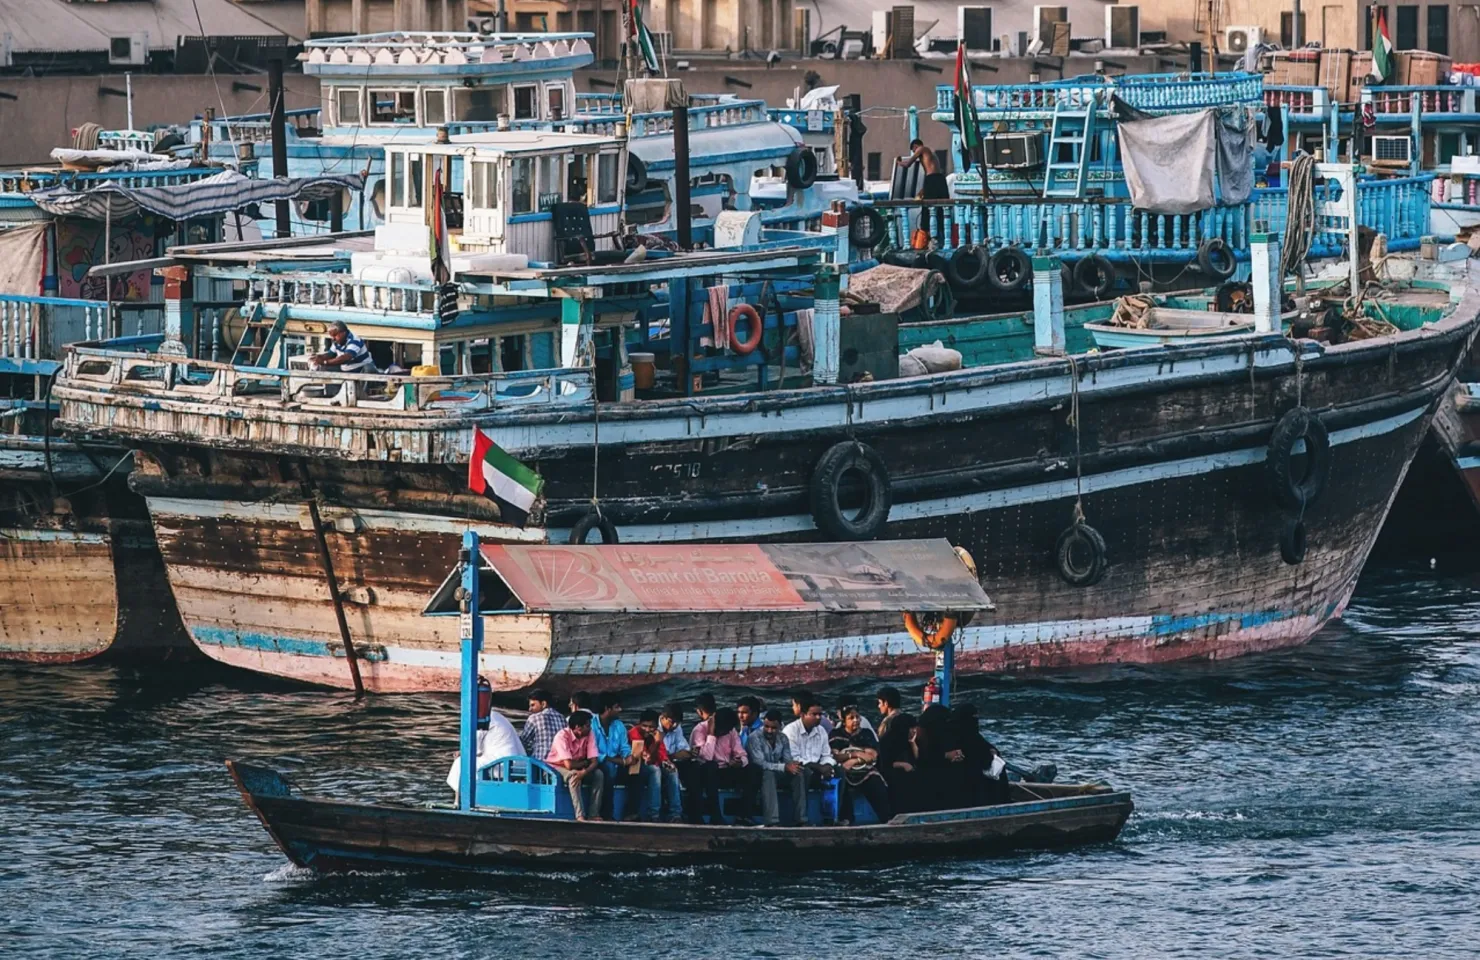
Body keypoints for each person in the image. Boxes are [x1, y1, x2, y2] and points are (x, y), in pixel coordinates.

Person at [594, 692, 659, 821]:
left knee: (639, 769)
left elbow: (624, 747)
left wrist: (630, 756)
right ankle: (607, 813)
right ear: (607, 709)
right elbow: (595, 754)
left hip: (617, 764)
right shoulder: (591, 725)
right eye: (617, 707)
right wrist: (619, 761)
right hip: (598, 764)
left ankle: (631, 812)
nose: (620, 710)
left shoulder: (619, 726)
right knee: (609, 768)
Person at [445, 704, 526, 803]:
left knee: (461, 762)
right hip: (519, 763)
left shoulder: (483, 720)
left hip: (502, 764)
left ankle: (458, 801)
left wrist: (461, 753)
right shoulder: (497, 716)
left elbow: (474, 750)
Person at [829, 707, 893, 825]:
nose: (856, 720)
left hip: (865, 770)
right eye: (851, 718)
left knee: (875, 782)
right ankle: (846, 819)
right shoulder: (836, 734)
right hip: (845, 771)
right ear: (844, 721)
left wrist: (853, 760)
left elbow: (872, 756)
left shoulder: (866, 733)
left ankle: (887, 818)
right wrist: (857, 753)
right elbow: (836, 756)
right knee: (842, 783)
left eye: (857, 717)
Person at [747, 709, 808, 826]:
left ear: (780, 726)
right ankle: (772, 821)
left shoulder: (783, 738)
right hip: (758, 774)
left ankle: (801, 819)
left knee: (798, 774)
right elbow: (760, 763)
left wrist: (793, 765)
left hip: (777, 771)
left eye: (773, 728)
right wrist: (785, 767)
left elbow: (787, 759)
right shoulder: (754, 738)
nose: (769, 730)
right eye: (766, 726)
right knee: (768, 774)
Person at [694, 706, 755, 824]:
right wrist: (711, 735)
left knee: (753, 769)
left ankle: (744, 815)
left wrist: (740, 762)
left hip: (726, 769)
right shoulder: (699, 730)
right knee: (710, 767)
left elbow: (741, 753)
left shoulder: (730, 731)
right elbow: (706, 757)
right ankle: (715, 816)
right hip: (706, 774)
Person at [783, 697, 837, 821]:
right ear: (803, 715)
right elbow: (794, 758)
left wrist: (828, 766)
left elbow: (826, 754)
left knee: (839, 773)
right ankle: (801, 818)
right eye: (814, 714)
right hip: (796, 770)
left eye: (820, 714)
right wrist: (819, 767)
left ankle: (836, 817)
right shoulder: (790, 731)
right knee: (803, 772)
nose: (818, 718)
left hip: (818, 769)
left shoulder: (821, 731)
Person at [546, 712, 605, 821]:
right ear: (578, 728)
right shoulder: (562, 736)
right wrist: (584, 764)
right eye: (587, 725)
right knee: (574, 776)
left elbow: (594, 761)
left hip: (578, 766)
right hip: (556, 767)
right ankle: (580, 815)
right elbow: (568, 765)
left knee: (599, 774)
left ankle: (593, 813)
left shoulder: (589, 733)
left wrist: (584, 772)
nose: (590, 728)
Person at [628, 709, 670, 822]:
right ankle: (654, 815)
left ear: (656, 726)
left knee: (672, 772)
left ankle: (676, 814)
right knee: (655, 770)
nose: (647, 729)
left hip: (647, 766)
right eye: (644, 726)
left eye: (651, 727)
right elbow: (647, 759)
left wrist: (668, 763)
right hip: (633, 767)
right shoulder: (634, 733)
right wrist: (656, 742)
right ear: (639, 723)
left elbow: (663, 755)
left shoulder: (656, 734)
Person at [876, 709, 920, 814]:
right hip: (890, 772)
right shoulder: (887, 741)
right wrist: (902, 765)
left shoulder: (908, 739)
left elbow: (917, 758)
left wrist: (913, 743)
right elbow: (884, 763)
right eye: (911, 728)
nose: (914, 731)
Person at [658, 703, 696, 822]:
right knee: (672, 771)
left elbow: (685, 751)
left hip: (671, 759)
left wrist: (673, 756)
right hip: (656, 761)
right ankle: (675, 813)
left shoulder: (676, 727)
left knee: (693, 767)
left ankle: (693, 812)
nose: (675, 726)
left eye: (677, 723)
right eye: (672, 722)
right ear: (663, 718)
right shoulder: (654, 727)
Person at [310, 321, 376, 373]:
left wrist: (325, 362)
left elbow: (345, 358)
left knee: (368, 369)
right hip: (347, 369)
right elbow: (330, 354)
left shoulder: (354, 341)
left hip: (362, 369)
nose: (333, 338)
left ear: (343, 333)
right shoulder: (337, 342)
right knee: (325, 369)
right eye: (331, 336)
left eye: (335, 335)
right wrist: (319, 357)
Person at [519, 688, 566, 762]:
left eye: (533, 705)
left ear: (543, 704)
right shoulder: (563, 718)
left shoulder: (534, 718)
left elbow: (522, 741)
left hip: (541, 765)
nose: (530, 709)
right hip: (560, 765)